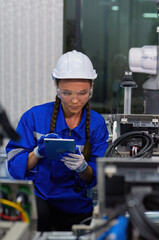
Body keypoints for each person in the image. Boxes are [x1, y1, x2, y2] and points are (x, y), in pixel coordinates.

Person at [6, 50, 109, 231]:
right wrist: (37, 153)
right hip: (40, 200)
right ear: (56, 86)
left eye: (83, 93)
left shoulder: (97, 123)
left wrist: (83, 167)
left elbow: (96, 175)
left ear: (92, 87)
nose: (75, 100)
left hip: (76, 205)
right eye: (67, 93)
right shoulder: (34, 117)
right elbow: (14, 165)